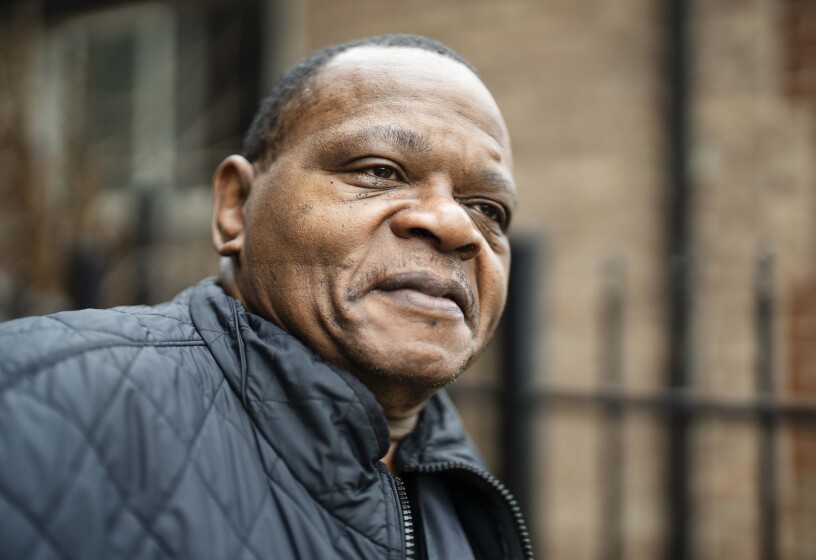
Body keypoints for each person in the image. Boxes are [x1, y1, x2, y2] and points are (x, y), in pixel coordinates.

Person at [0, 35, 531, 559]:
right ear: (235, 205)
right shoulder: (31, 402)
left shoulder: (465, 499)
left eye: (488, 208)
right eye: (378, 172)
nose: (454, 224)